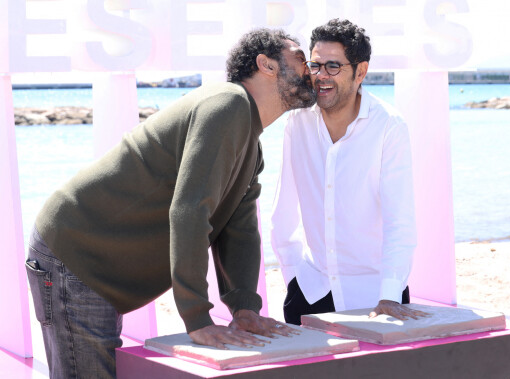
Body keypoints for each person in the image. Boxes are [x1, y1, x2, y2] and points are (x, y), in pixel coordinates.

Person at [25, 28, 316, 378]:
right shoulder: (227, 104)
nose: (311, 69)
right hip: (77, 254)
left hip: (93, 261)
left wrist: (244, 308)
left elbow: (238, 230)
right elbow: (190, 211)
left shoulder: (250, 144)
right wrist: (197, 317)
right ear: (266, 65)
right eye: (301, 58)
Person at [271, 19, 429, 325]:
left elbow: (401, 221)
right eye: (315, 65)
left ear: (361, 72)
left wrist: (390, 295)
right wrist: (292, 277)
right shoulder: (296, 124)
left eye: (333, 66)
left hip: (377, 297)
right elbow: (283, 212)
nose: (321, 76)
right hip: (311, 291)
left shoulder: (388, 126)